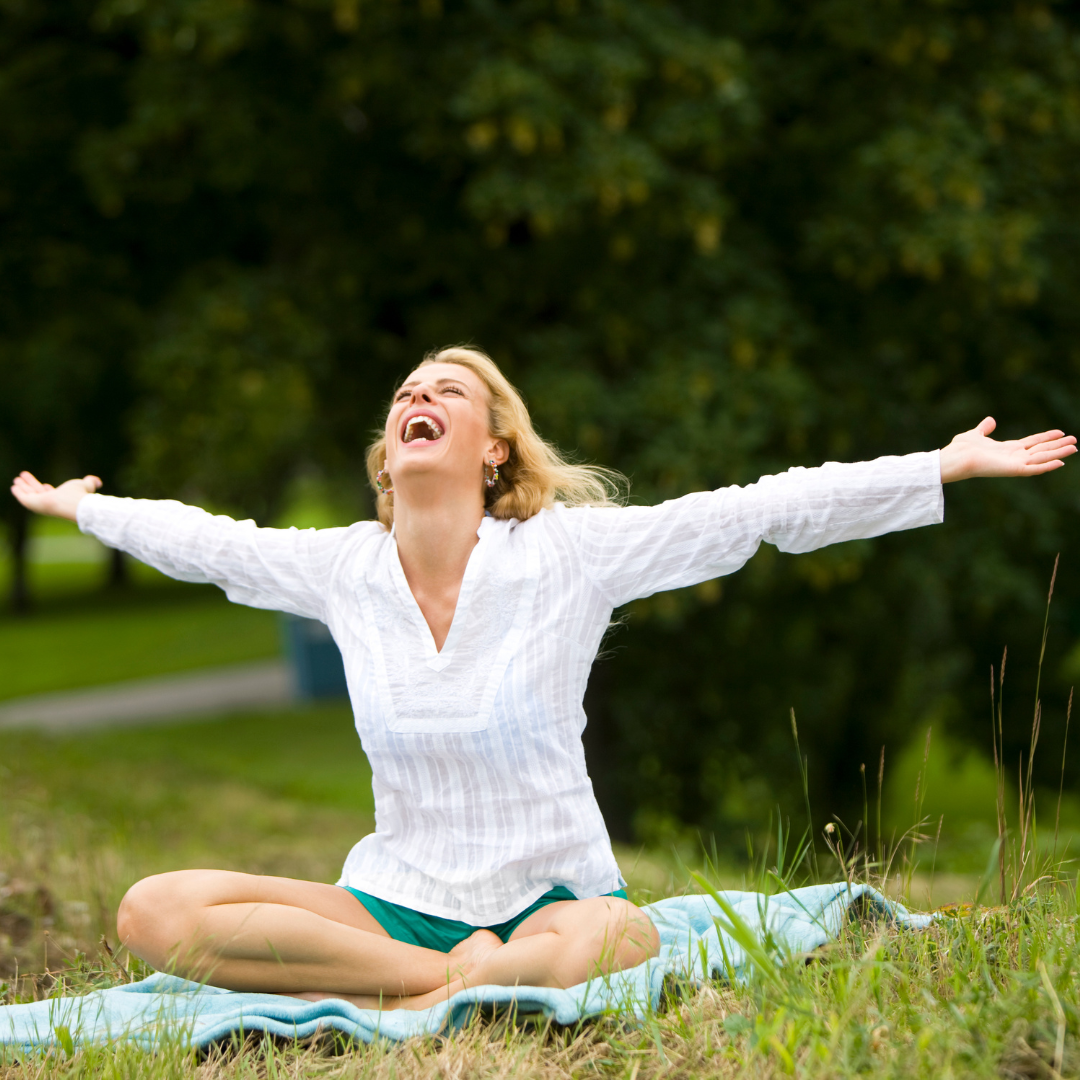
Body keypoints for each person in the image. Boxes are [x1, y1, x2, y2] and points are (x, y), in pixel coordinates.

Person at [10, 346, 1076, 1011]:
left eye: (450, 391)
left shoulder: (569, 553)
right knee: (155, 910)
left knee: (620, 934)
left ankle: (439, 984)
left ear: (494, 451)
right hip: (391, 906)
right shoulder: (343, 569)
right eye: (406, 392)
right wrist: (79, 510)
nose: (418, 395)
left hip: (553, 904)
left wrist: (935, 468)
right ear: (389, 455)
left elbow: (759, 511)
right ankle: (432, 988)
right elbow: (210, 541)